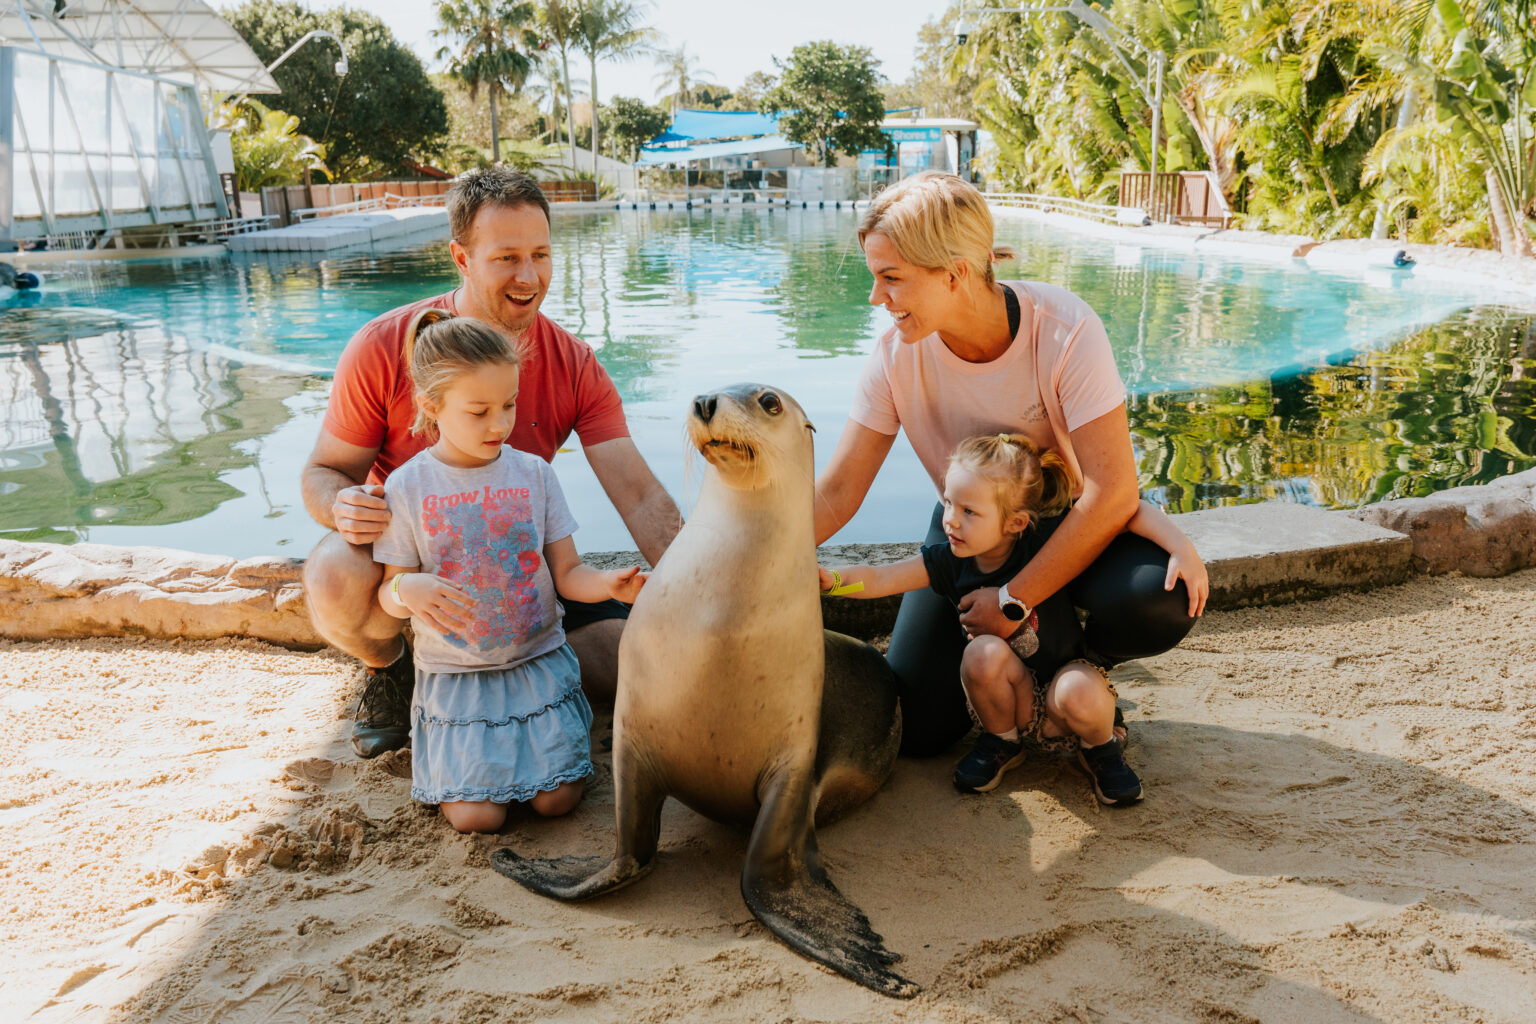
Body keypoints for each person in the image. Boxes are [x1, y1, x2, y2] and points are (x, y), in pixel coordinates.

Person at [814, 170, 1202, 760]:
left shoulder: (1065, 329)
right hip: (976, 529)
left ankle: (1083, 676)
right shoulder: (895, 357)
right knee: (918, 731)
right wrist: (750, 553)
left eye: (891, 278)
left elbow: (1113, 491)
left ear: (955, 273)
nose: (876, 298)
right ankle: (1013, 687)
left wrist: (1013, 602)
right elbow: (838, 491)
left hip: (1069, 525)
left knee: (1156, 595)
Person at [301, 167, 681, 759]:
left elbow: (639, 494)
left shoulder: (574, 363)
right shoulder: (381, 346)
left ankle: (513, 674)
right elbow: (324, 471)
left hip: (517, 586)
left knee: (653, 659)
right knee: (330, 574)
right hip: (407, 577)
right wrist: (340, 505)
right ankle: (391, 670)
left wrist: (701, 590)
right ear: (462, 256)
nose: (529, 277)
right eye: (506, 257)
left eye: (541, 255)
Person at [373, 309, 647, 833]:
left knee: (558, 801)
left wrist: (608, 585)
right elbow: (388, 592)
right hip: (458, 677)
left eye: (509, 405)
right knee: (477, 818)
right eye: (479, 411)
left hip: (535, 662)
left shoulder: (534, 475)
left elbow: (568, 573)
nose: (500, 424)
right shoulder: (408, 488)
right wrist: (410, 587)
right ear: (431, 407)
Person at [820, 434, 1207, 803]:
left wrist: (1180, 547)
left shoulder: (1045, 543)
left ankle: (1100, 748)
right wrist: (832, 580)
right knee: (982, 654)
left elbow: (1128, 511)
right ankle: (1001, 741)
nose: (951, 521)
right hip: (1012, 700)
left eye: (969, 511)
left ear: (1015, 522)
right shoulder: (949, 561)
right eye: (949, 503)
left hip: (1064, 692)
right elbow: (880, 577)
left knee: (1079, 689)